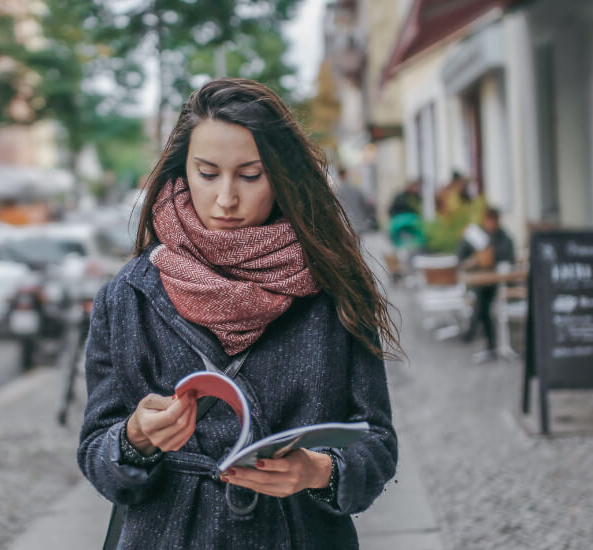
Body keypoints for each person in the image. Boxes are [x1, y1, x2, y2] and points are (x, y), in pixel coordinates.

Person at [78, 78, 400, 549]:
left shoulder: (334, 289)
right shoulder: (127, 296)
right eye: (208, 174)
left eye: (250, 176)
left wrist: (319, 470)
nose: (226, 198)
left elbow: (378, 444)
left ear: (282, 176)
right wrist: (135, 439)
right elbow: (96, 454)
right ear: (183, 171)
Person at [456, 207, 515, 350]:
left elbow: (508, 257)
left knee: (482, 303)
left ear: (497, 221)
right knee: (482, 302)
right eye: (488, 221)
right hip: (480, 281)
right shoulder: (478, 235)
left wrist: (492, 255)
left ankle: (475, 334)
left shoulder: (503, 238)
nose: (490, 225)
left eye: (492, 222)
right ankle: (489, 341)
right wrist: (473, 258)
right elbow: (461, 254)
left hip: (497, 282)